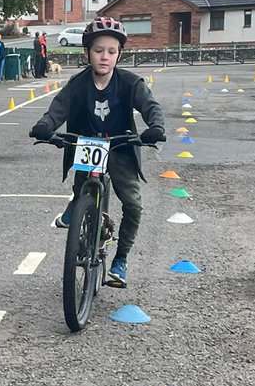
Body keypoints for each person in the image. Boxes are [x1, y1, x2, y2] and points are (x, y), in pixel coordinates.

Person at [28, 16, 165, 288]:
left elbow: (150, 107)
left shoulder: (130, 83)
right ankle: (78, 206)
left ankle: (120, 259)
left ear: (119, 55)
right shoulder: (77, 85)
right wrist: (45, 126)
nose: (105, 57)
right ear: (87, 53)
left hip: (120, 146)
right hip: (85, 144)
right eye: (99, 50)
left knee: (134, 205)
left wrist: (156, 127)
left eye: (111, 52)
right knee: (84, 190)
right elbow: (57, 110)